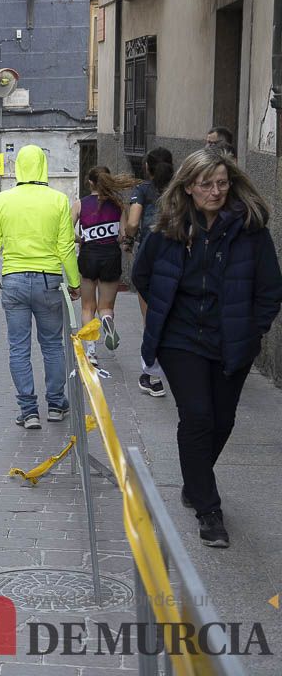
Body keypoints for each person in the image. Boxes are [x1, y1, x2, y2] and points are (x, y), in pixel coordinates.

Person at [132, 147, 281, 548]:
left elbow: (270, 289)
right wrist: (163, 315)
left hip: (231, 340)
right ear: (188, 187)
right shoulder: (167, 229)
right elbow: (142, 275)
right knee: (197, 418)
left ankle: (195, 480)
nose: (216, 191)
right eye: (206, 184)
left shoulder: (249, 230)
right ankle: (208, 509)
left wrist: (254, 331)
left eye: (222, 183)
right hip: (181, 341)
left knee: (222, 421)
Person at [0, 145, 81, 430]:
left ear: (18, 168)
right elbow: (65, 247)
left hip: (13, 280)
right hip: (49, 281)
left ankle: (28, 411)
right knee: (52, 345)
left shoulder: (2, 200)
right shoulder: (59, 200)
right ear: (43, 167)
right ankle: (54, 404)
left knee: (18, 347)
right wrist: (74, 283)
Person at [71, 166, 138, 366]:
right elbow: (122, 235)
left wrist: (80, 239)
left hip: (88, 257)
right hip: (111, 257)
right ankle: (107, 321)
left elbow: (65, 230)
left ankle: (91, 352)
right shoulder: (118, 204)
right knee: (106, 306)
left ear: (90, 182)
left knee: (87, 307)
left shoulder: (79, 204)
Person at [123, 147, 174, 397]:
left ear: (147, 168)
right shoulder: (181, 188)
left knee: (150, 316)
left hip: (150, 254)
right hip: (178, 252)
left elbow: (133, 223)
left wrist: (128, 239)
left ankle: (153, 376)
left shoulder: (142, 190)